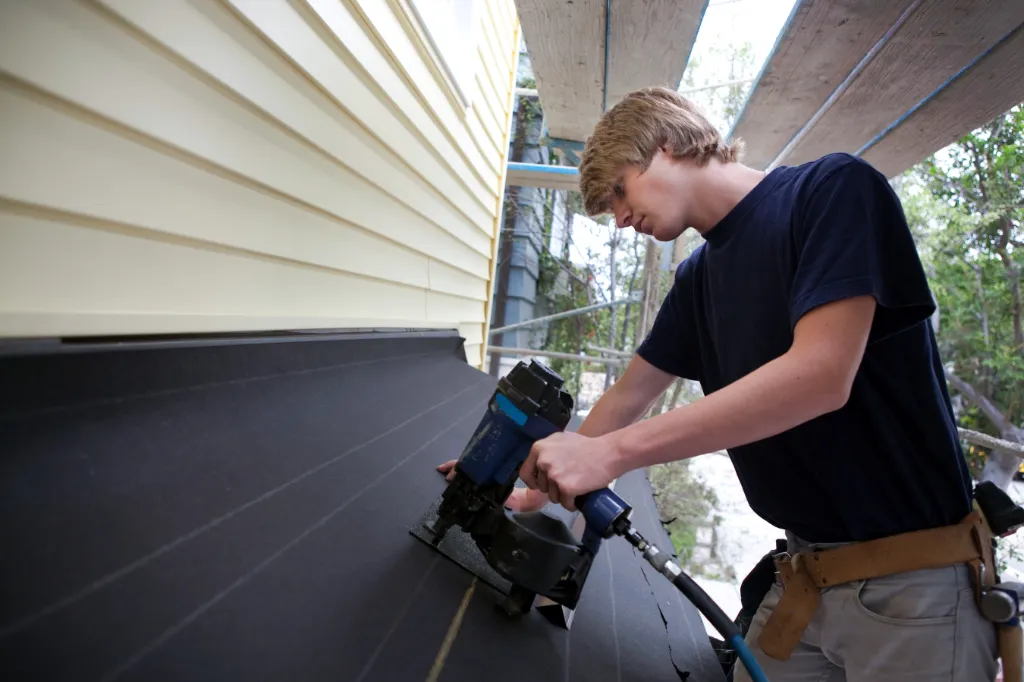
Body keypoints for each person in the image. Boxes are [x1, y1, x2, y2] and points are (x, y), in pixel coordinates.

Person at [437, 87, 999, 681]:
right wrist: (538, 484)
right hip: (807, 575)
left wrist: (612, 454)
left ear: (667, 144)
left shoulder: (831, 192)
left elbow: (821, 376)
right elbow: (627, 396)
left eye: (620, 190)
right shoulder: (697, 281)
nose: (621, 218)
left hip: (913, 587)